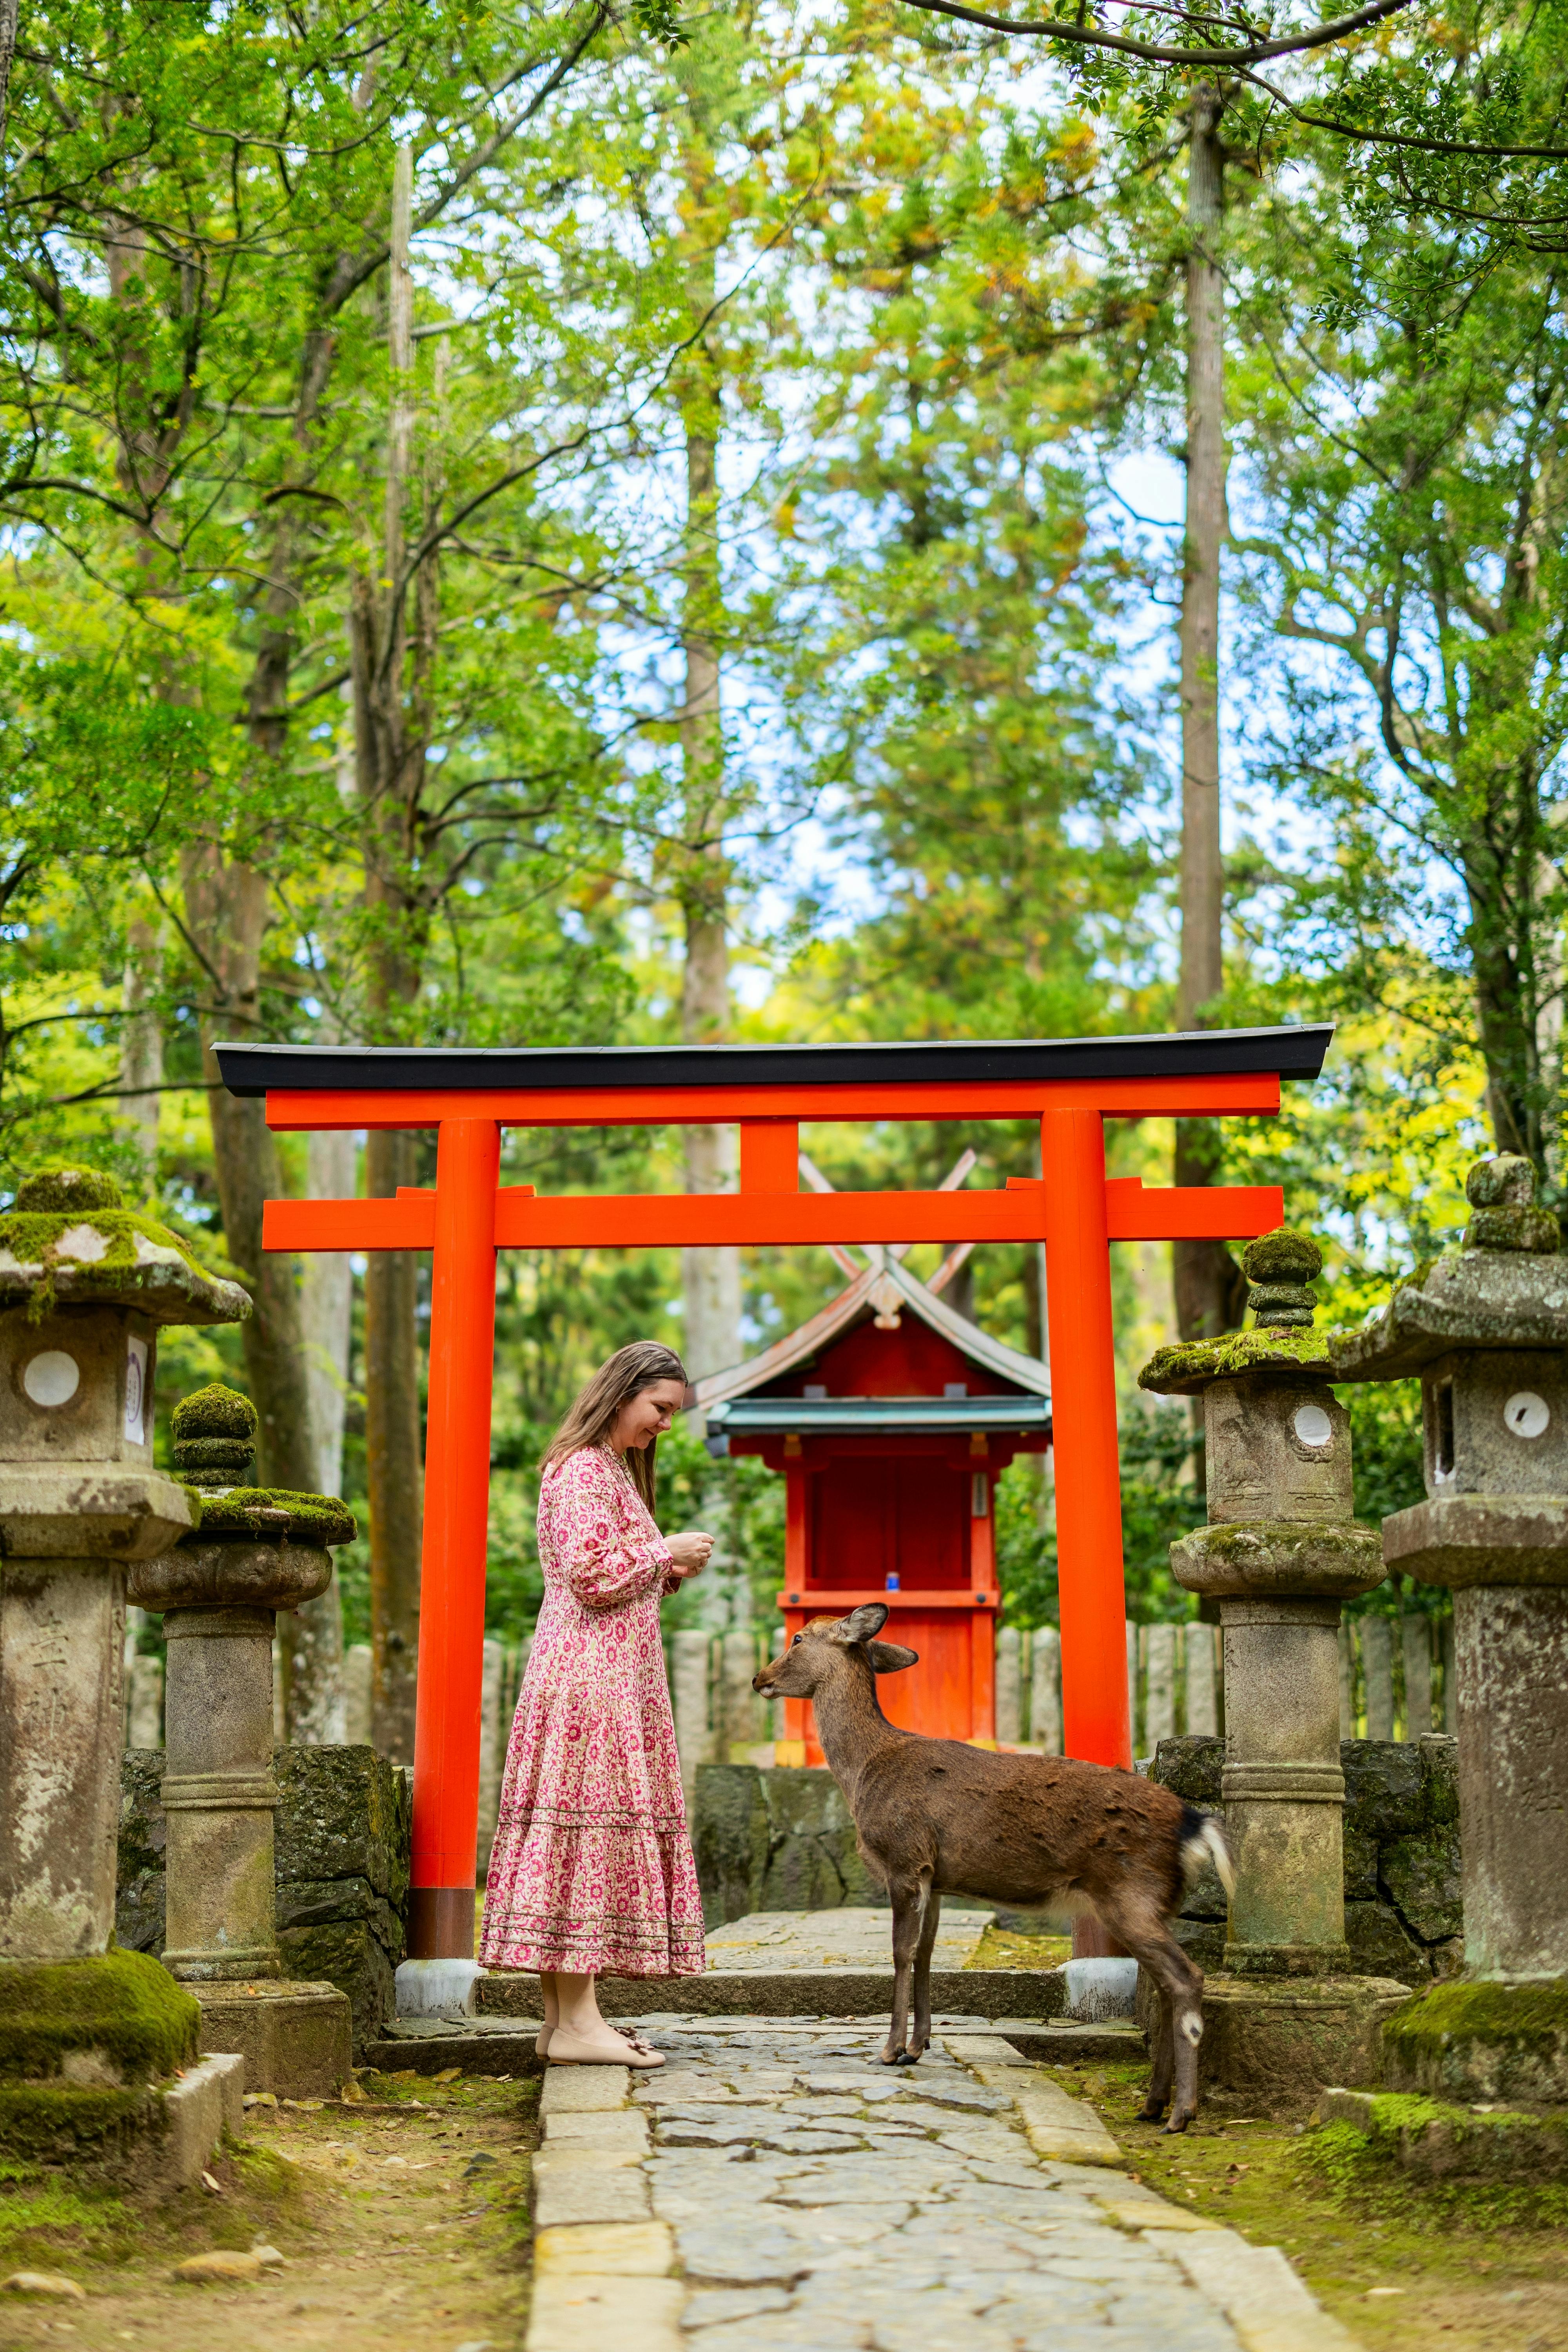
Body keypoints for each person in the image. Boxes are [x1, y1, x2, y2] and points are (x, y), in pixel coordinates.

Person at [479, 1341, 714, 2067]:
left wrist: (662, 1564)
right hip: (592, 1682)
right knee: (584, 1838)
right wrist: (661, 1549)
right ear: (623, 1393)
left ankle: (563, 2021)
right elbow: (588, 1573)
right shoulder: (584, 1468)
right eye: (660, 1409)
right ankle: (578, 2023)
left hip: (596, 1674)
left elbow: (606, 1570)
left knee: (573, 1839)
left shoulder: (603, 1468)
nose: (664, 1425)